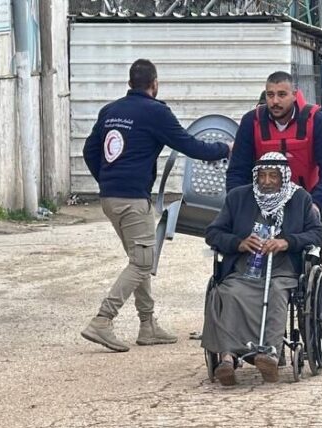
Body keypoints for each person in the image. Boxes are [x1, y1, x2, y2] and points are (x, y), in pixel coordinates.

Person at [81, 59, 231, 352]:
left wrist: (107, 179)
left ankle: (147, 324)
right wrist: (224, 148)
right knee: (142, 262)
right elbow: (190, 146)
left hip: (110, 198)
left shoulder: (110, 110)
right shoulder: (156, 112)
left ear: (129, 83)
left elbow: (89, 150)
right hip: (133, 200)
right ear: (155, 84)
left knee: (139, 257)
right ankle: (102, 320)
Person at [203, 153, 322, 386]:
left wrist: (287, 241)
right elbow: (213, 233)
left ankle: (269, 354)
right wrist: (238, 242)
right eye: (262, 175)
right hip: (244, 266)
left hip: (282, 267)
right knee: (229, 293)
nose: (267, 181)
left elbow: (318, 234)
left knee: (276, 292)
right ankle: (228, 358)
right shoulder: (238, 198)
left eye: (273, 176)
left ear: (283, 177)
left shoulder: (299, 198)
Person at [226, 71, 322, 223]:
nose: (275, 101)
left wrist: (316, 203)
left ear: (294, 95)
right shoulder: (251, 121)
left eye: (282, 94)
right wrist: (238, 205)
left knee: (307, 245)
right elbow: (237, 170)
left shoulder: (315, 120)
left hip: (307, 201)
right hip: (262, 204)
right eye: (270, 95)